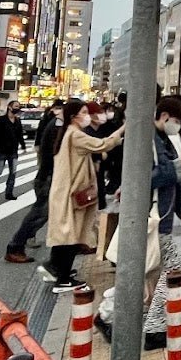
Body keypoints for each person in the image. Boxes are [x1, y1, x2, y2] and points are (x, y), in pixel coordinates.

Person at [42, 98, 126, 295]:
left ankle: (56, 269)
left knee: (67, 234)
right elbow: (102, 144)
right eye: (84, 113)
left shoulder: (69, 133)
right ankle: (62, 278)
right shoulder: (75, 135)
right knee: (72, 235)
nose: (87, 116)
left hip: (67, 192)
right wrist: (123, 129)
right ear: (74, 116)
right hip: (71, 194)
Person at [142, 97, 181, 348]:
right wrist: (178, 164)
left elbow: (174, 181)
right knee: (169, 270)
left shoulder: (162, 139)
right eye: (176, 121)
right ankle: (154, 328)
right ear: (164, 116)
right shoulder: (150, 140)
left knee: (149, 271)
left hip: (160, 216)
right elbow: (146, 177)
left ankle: (108, 313)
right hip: (152, 216)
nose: (177, 126)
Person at [5, 101, 64, 263]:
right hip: (48, 177)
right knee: (40, 214)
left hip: (51, 176)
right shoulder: (56, 125)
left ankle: (64, 253)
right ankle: (16, 246)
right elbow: (52, 153)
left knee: (48, 214)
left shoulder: (59, 124)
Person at [0, 101, 27, 201]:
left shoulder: (17, 120)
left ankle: (9, 193)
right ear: (9, 107)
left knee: (13, 173)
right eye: (16, 106)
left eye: (18, 106)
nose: (17, 108)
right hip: (2, 150)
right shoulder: (1, 120)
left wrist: (23, 146)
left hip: (13, 151)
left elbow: (20, 135)